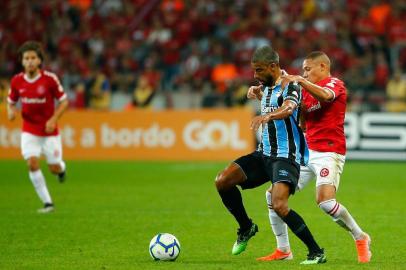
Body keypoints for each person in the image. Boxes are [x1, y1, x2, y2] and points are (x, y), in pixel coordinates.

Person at [255, 51, 371, 263]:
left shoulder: (335, 84)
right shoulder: (304, 91)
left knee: (325, 202)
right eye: (303, 71)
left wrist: (299, 80)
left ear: (323, 67)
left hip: (329, 151)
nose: (304, 74)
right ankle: (283, 250)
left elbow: (326, 96)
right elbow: (300, 120)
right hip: (306, 152)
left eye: (308, 69)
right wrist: (263, 95)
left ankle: (360, 236)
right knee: (272, 196)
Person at [215, 45, 326, 265]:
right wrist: (254, 91)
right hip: (263, 155)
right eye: (254, 71)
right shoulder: (265, 86)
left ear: (273, 66)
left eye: (259, 70)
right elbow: (261, 91)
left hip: (286, 156)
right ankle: (246, 227)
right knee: (223, 181)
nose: (255, 75)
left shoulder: (291, 84)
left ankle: (316, 251)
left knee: (279, 205)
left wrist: (268, 117)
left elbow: (288, 107)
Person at [7, 41, 68, 213]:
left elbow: (64, 101)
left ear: (40, 60)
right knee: (32, 163)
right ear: (22, 61)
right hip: (29, 130)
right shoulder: (17, 81)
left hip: (49, 132)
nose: (30, 61)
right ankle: (48, 203)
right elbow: (10, 102)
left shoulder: (49, 79)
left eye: (33, 58)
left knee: (54, 168)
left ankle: (62, 169)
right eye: (26, 58)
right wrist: (10, 112)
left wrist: (54, 119)